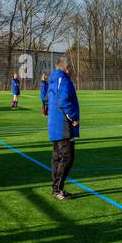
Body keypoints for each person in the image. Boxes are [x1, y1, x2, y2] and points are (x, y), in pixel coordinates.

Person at [47, 57, 79, 201]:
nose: (71, 70)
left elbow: (47, 98)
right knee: (67, 157)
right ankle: (57, 189)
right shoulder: (64, 80)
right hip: (62, 125)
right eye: (70, 67)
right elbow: (63, 101)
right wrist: (72, 117)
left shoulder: (54, 79)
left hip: (55, 124)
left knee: (57, 157)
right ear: (66, 68)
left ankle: (56, 188)